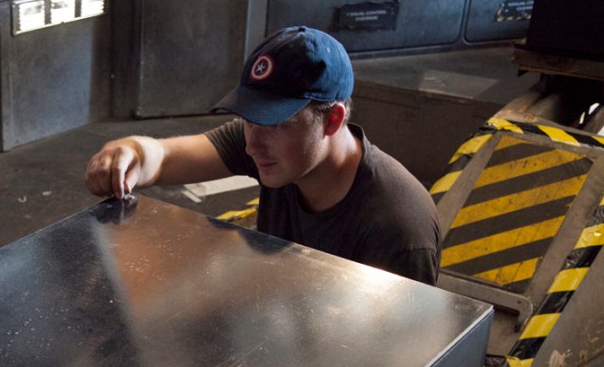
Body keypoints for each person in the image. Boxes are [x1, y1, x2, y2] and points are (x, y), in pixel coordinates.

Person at [85, 26, 442, 285]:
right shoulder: (279, 149)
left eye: (277, 124)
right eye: (248, 120)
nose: (252, 145)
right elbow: (163, 158)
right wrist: (130, 152)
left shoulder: (398, 231)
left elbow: (397, 360)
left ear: (332, 120)